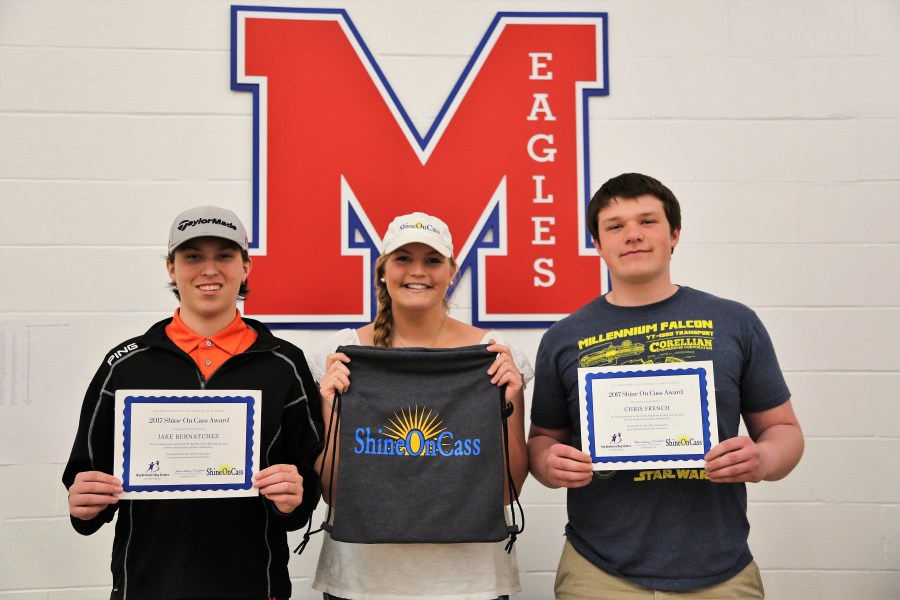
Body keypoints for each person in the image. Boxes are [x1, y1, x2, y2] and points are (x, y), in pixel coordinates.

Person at [528, 173, 804, 599]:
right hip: (598, 571)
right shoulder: (563, 338)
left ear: (674, 234)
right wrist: (549, 465)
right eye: (615, 226)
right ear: (598, 245)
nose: (633, 235)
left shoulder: (734, 323)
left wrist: (762, 460)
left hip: (721, 570)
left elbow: (784, 431)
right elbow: (543, 440)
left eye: (648, 222)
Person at [62, 205, 323, 600]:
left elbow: (305, 488)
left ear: (246, 267)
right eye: (193, 256)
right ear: (171, 268)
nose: (209, 269)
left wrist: (294, 498)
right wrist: (84, 504)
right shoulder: (125, 365)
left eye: (224, 255)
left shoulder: (284, 364)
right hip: (149, 586)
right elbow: (89, 484)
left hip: (254, 585)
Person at [309, 212, 533, 600]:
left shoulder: (494, 353)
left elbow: (505, 493)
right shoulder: (339, 355)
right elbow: (332, 492)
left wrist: (508, 399)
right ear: (382, 271)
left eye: (432, 260)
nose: (418, 271)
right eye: (403, 259)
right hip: (360, 580)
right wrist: (332, 406)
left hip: (472, 581)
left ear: (452, 272)